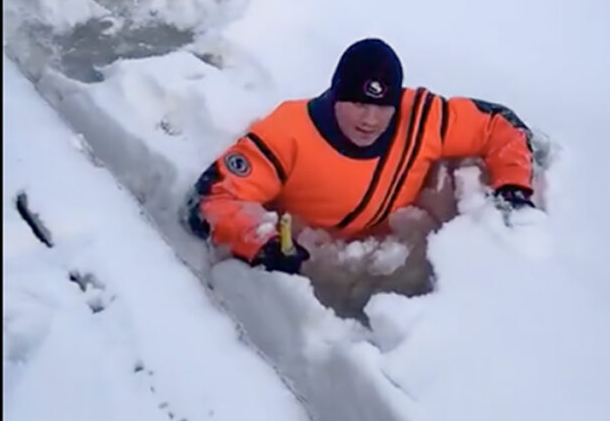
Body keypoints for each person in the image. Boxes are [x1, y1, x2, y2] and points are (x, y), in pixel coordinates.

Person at [184, 37, 540, 276]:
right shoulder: (288, 132)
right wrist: (261, 243)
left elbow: (500, 125)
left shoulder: (422, 119)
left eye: (382, 106)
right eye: (358, 104)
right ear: (336, 96)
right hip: (316, 265)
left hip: (392, 265)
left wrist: (513, 186)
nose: (370, 120)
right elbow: (210, 199)